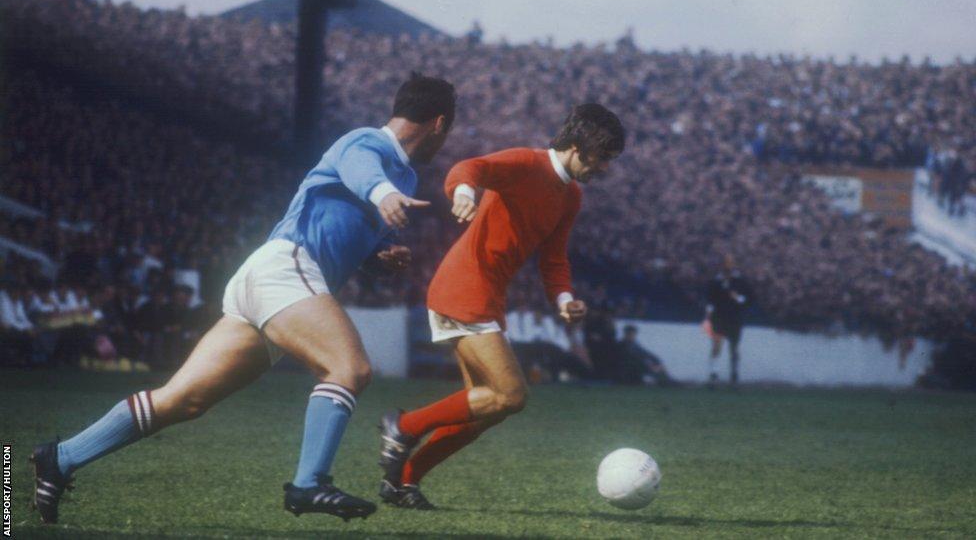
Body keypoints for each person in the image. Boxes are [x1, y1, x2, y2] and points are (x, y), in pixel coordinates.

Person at [30, 73, 456, 524]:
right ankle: (309, 484)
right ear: (439, 123)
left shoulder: (405, 175)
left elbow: (346, 222)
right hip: (285, 267)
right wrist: (383, 193)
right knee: (349, 368)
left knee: (182, 400)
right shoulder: (366, 143)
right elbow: (362, 173)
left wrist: (377, 256)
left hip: (272, 282)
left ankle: (60, 457)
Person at [377, 103, 625, 509]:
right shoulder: (526, 163)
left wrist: (564, 299)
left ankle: (403, 481)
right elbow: (468, 168)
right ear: (578, 147)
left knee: (487, 412)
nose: (605, 169)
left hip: (487, 296)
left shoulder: (571, 196)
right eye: (603, 158)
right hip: (463, 289)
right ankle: (402, 426)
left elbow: (554, 259)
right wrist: (463, 193)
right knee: (511, 395)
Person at [703, 254, 753, 386]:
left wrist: (738, 298)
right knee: (716, 345)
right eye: (725, 262)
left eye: (730, 262)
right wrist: (708, 315)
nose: (727, 265)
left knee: (734, 347)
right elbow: (710, 300)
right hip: (719, 317)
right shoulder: (716, 281)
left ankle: (734, 375)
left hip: (735, 318)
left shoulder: (741, 281)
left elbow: (749, 299)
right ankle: (713, 374)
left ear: (734, 264)